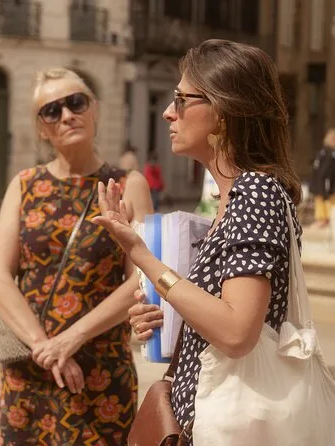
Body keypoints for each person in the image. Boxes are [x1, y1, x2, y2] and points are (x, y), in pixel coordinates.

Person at [93, 39, 302, 444]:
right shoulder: (233, 196)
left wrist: (141, 256)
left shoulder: (255, 191)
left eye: (181, 100)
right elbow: (223, 320)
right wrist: (168, 324)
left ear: (222, 113)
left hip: (227, 426)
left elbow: (238, 332)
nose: (169, 112)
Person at [0, 67, 153, 445]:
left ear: (94, 109)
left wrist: (71, 339)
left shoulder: (128, 185)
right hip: (30, 367)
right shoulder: (24, 185)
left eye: (76, 103)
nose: (66, 115)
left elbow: (142, 277)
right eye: (52, 110)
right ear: (41, 128)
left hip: (99, 373)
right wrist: (44, 346)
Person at [309, 129, 335, 228]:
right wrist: (324, 185)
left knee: (327, 201)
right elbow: (324, 171)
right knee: (323, 201)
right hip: (323, 183)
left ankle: (325, 219)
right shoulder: (327, 152)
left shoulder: (326, 152)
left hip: (325, 184)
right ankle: (323, 219)